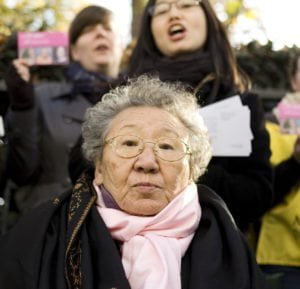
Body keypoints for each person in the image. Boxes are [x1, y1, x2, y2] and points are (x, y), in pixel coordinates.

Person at [0, 75, 269, 289]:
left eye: (166, 146)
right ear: (100, 167)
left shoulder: (229, 247)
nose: (147, 162)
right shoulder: (41, 235)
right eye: (129, 143)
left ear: (192, 171)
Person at [126, 0, 273, 230]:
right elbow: (83, 164)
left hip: (212, 249)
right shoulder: (121, 96)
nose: (174, 14)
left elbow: (257, 195)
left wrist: (189, 167)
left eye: (185, 5)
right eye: (162, 10)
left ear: (208, 19)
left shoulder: (240, 104)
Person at [4, 5, 124, 213]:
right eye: (88, 30)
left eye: (107, 28)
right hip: (56, 223)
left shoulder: (142, 102)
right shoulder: (42, 96)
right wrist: (22, 106)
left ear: (121, 45)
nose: (99, 33)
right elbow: (21, 171)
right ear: (75, 51)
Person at [256, 53, 300, 289]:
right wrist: (295, 162)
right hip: (283, 258)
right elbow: (262, 194)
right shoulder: (271, 126)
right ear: (294, 80)